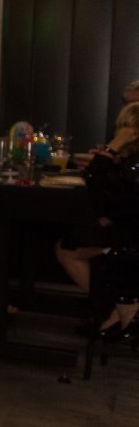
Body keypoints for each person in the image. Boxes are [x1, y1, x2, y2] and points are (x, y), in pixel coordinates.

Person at [86, 102, 139, 341]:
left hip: (130, 239)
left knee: (69, 246)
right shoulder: (130, 162)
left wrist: (113, 147)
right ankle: (119, 311)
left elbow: (93, 179)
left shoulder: (133, 163)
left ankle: (124, 307)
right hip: (129, 230)